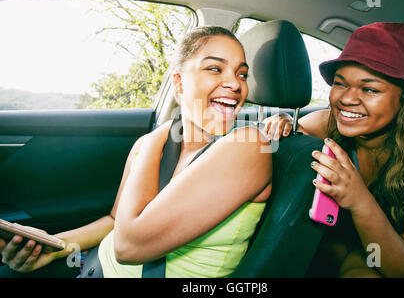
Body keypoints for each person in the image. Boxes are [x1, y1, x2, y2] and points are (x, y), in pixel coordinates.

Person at [0, 26, 272, 278]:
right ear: (178, 84)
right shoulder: (149, 147)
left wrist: (157, 136)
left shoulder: (247, 145)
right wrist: (57, 247)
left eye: (242, 74)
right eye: (215, 68)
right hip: (94, 266)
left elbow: (128, 246)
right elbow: (115, 221)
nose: (235, 85)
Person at [263, 22, 404, 277]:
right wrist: (280, 124)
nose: (346, 99)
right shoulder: (325, 125)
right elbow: (291, 134)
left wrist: (359, 200)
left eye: (370, 89)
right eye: (340, 83)